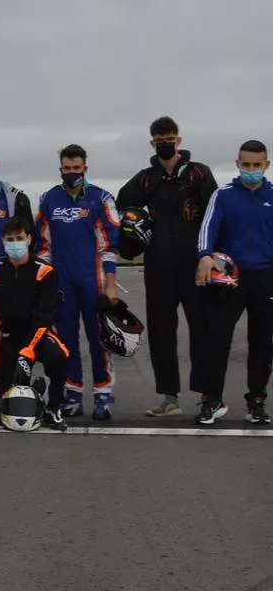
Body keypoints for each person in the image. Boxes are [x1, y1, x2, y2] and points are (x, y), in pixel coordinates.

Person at [116, 117, 217, 417]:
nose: (165, 145)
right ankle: (169, 397)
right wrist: (136, 225)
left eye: (169, 139)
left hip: (194, 265)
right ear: (152, 143)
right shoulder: (147, 178)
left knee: (202, 330)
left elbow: (215, 214)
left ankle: (207, 396)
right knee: (161, 332)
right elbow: (122, 203)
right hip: (158, 264)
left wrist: (211, 255)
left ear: (179, 140)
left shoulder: (199, 173)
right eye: (159, 141)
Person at [36, 145, 120, 420]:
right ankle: (72, 393)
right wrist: (44, 284)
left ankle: (103, 394)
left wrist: (110, 284)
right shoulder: (48, 199)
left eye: (76, 168)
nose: (72, 172)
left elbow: (109, 246)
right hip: (62, 282)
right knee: (65, 339)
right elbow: (43, 246)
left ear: (85, 168)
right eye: (67, 168)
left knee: (99, 338)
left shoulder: (101, 199)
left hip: (93, 280)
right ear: (60, 169)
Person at [195, 139, 273, 426]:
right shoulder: (223, 195)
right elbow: (208, 228)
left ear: (266, 165)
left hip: (265, 277)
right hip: (230, 278)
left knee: (262, 342)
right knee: (216, 338)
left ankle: (257, 401)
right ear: (238, 164)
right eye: (246, 164)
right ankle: (212, 400)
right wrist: (204, 255)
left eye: (256, 165)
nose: (251, 170)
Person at [0, 216, 68, 431]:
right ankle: (30, 393)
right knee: (10, 388)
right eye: (10, 239)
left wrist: (29, 350)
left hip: (37, 333)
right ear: (3, 241)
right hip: (8, 335)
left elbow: (44, 316)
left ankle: (53, 407)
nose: (15, 243)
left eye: (19, 238)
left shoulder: (45, 271)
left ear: (29, 239)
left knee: (58, 355)